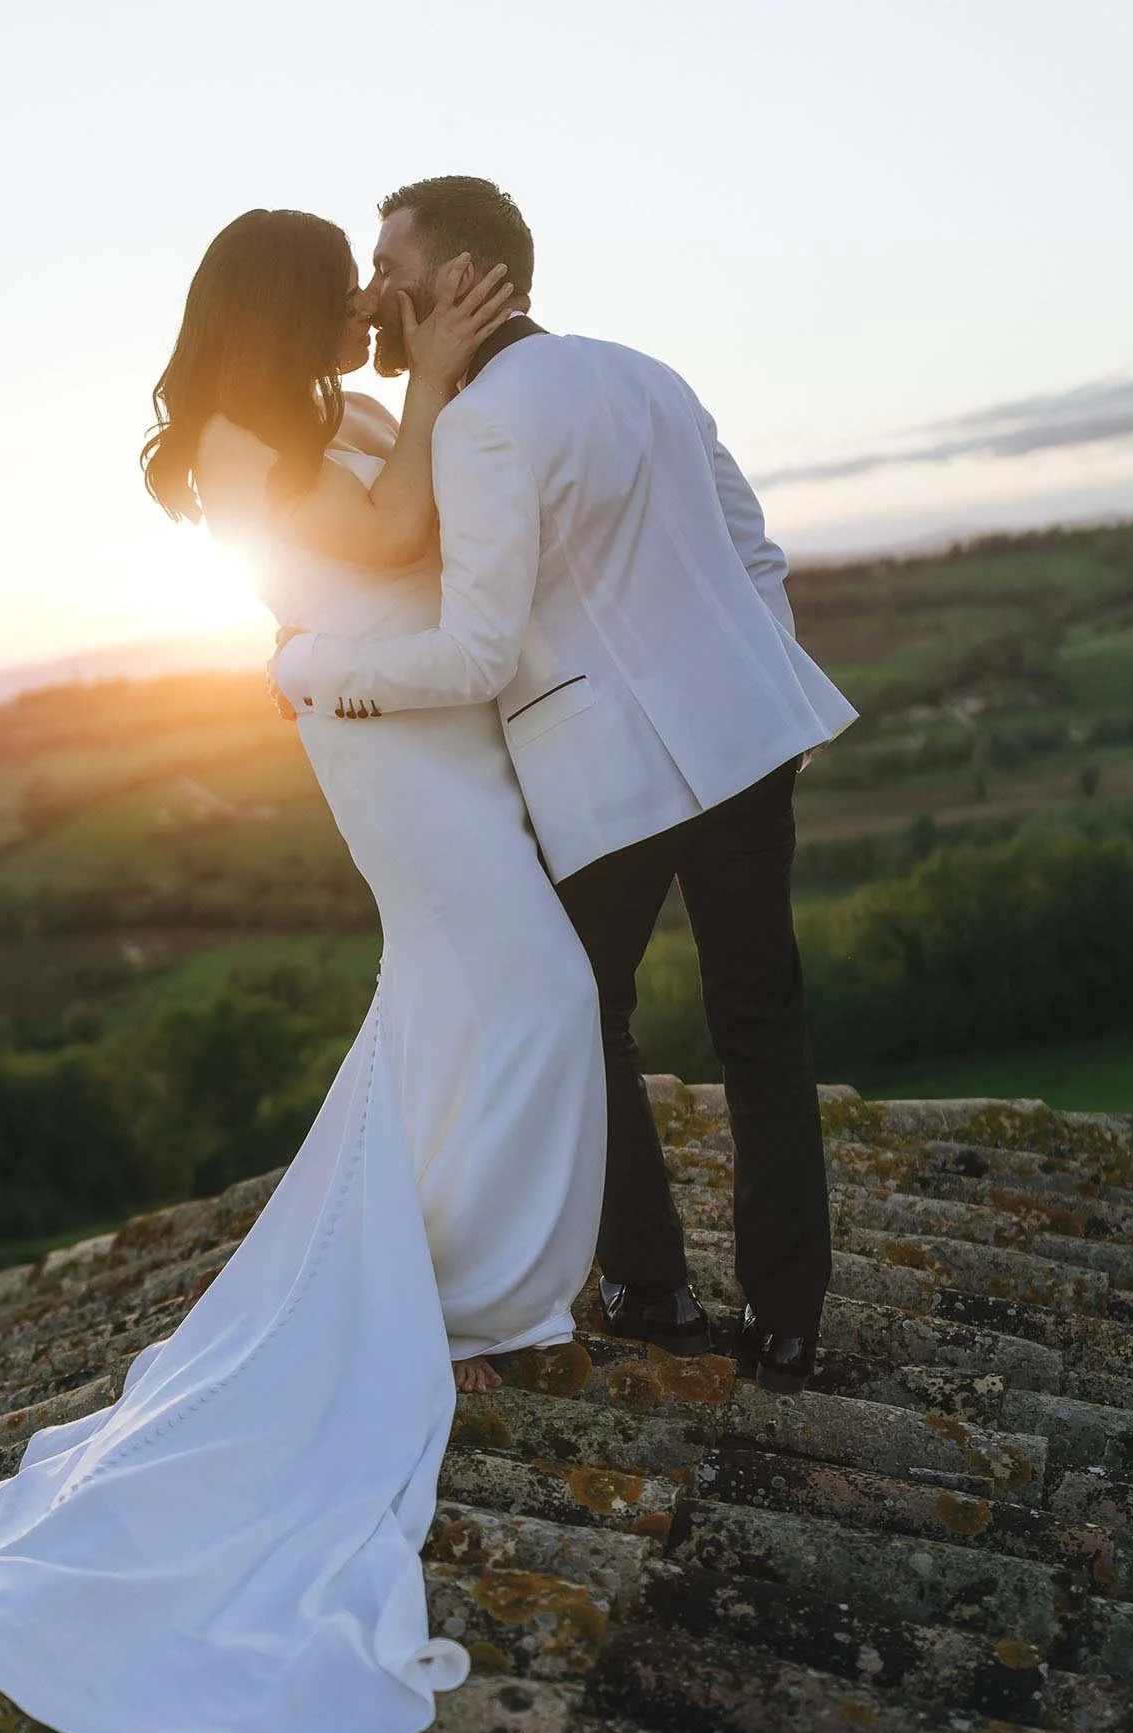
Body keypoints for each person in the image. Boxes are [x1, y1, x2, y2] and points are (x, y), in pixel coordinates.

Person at [0, 209, 608, 1733]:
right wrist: (449, 366)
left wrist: (451, 381)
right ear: (275, 307)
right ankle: (478, 1280)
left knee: (479, 983)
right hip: (382, 742)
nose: (360, 305)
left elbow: (448, 523)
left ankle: (456, 1261)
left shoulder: (336, 416)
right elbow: (395, 542)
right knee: (528, 975)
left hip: (437, 716)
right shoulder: (235, 448)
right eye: (336, 288)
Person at [273, 176, 857, 1395]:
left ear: (466, 278)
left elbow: (479, 654)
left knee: (578, 1013)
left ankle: (650, 1288)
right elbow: (758, 555)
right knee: (766, 1024)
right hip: (747, 745)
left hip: (612, 776)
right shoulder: (645, 370)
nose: (376, 290)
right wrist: (758, 677)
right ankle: (790, 1326)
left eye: (393, 264)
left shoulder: (482, 424)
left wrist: (319, 670)